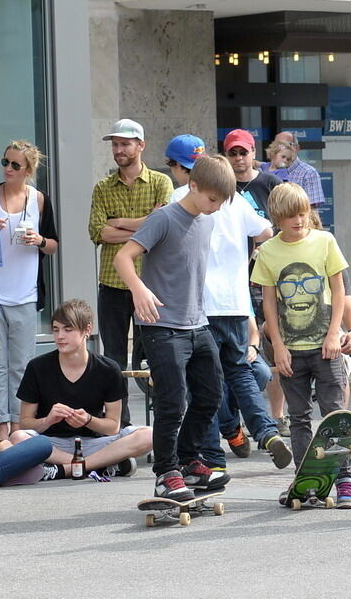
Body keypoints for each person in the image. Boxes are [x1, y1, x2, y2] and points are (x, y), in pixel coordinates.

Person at [164, 135, 290, 471]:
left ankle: (213, 458)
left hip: (200, 306)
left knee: (202, 384)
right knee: (239, 373)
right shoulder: (236, 199)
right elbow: (265, 232)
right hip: (235, 303)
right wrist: (246, 257)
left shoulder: (181, 196)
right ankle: (266, 431)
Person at [114, 154, 235, 500]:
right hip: (162, 326)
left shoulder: (206, 222)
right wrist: (139, 290)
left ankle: (188, 462)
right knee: (172, 401)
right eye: (212, 199)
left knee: (211, 394)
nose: (215, 207)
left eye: (221, 202)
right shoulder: (163, 218)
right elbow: (123, 257)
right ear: (192, 186)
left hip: (197, 323)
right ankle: (166, 473)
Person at [252, 183, 351, 508]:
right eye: (290, 216)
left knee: (335, 416)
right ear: (277, 218)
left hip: (326, 347)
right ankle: (305, 479)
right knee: (298, 418)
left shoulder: (324, 241)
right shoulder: (268, 251)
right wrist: (278, 346)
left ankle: (346, 480)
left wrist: (334, 334)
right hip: (291, 351)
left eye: (302, 213)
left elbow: (338, 291)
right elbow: (269, 304)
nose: (298, 221)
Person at [88, 119, 173, 425]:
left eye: (125, 144)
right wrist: (144, 224)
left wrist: (120, 222)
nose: (119, 150)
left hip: (150, 284)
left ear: (141, 145)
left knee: (154, 355)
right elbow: (97, 232)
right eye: (115, 144)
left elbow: (163, 225)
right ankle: (120, 424)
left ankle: (161, 425)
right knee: (113, 358)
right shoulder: (102, 187)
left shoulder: (161, 183)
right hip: (112, 284)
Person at [11, 299, 153, 480]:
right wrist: (47, 420)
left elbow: (112, 427)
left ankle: (66, 469)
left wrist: (88, 420)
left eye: (68, 329)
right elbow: (25, 423)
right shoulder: (37, 367)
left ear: (87, 329)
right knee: (18, 437)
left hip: (97, 443)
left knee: (150, 435)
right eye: (55, 329)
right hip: (52, 444)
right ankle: (101, 465)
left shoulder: (108, 369)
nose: (60, 336)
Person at [223, 128, 290, 435]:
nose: (239, 158)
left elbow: (286, 219)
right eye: (233, 153)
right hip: (236, 279)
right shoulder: (222, 187)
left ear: (254, 154)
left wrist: (269, 246)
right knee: (241, 352)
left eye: (243, 152)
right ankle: (240, 418)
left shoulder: (270, 183)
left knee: (275, 345)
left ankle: (277, 415)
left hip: (271, 276)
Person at [0, 141, 59, 440]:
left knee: (20, 365)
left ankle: (19, 427)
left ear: (28, 170)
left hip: (25, 294)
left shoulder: (39, 200)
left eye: (15, 165)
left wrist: (39, 240)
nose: (8, 169)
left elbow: (54, 245)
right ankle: (0, 427)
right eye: (5, 162)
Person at [259, 131, 325, 207]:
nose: (282, 149)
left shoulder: (308, 173)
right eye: (278, 145)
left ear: (296, 148)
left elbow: (311, 208)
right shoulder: (263, 169)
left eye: (287, 145)